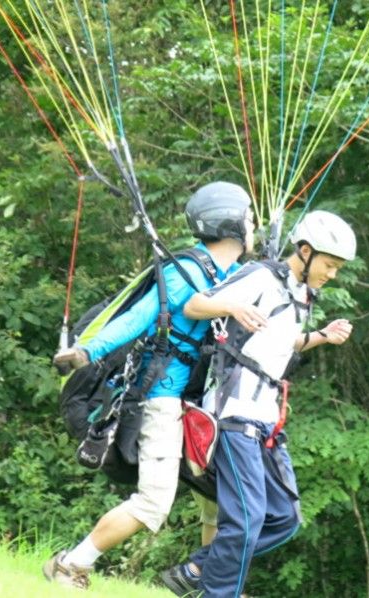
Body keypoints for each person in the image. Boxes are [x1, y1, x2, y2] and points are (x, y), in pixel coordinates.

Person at [43, 181, 255, 590]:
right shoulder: (188, 271)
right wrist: (86, 351)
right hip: (161, 400)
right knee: (154, 501)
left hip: (201, 406)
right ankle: (70, 563)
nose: (252, 226)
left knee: (218, 496)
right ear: (230, 224)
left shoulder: (235, 275)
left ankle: (213, 585)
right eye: (248, 218)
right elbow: (138, 317)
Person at [160, 210, 357, 598]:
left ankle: (199, 567)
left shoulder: (300, 295)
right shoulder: (261, 276)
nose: (332, 274)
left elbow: (278, 346)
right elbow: (194, 306)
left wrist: (320, 336)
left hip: (267, 420)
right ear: (305, 251)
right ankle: (218, 593)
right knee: (246, 520)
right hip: (234, 413)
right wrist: (231, 307)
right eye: (330, 265)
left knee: (284, 518)